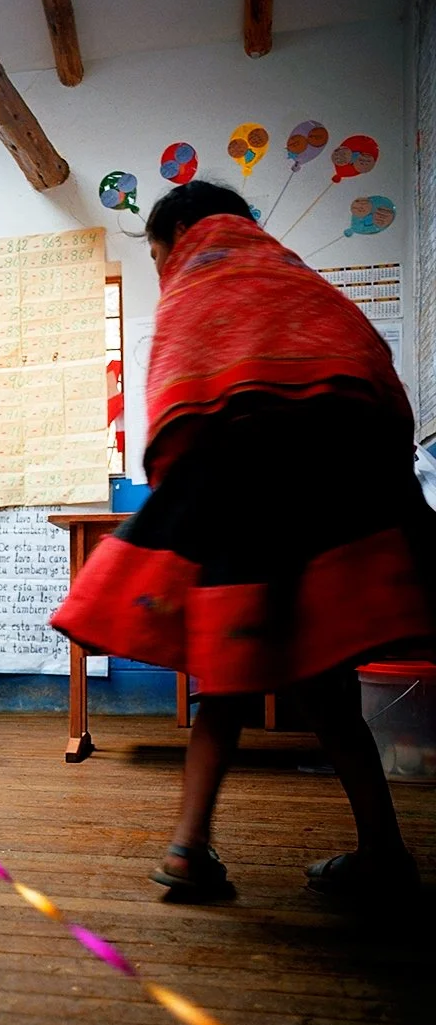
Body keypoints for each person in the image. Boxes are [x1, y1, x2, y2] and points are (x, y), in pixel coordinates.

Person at [51, 181, 435, 901]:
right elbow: (378, 386)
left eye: (159, 253)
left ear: (178, 237)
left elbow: (176, 416)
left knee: (224, 681)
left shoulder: (196, 289)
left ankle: (189, 848)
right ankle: (383, 850)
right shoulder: (301, 281)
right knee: (330, 689)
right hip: (338, 508)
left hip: (240, 508)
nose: (165, 269)